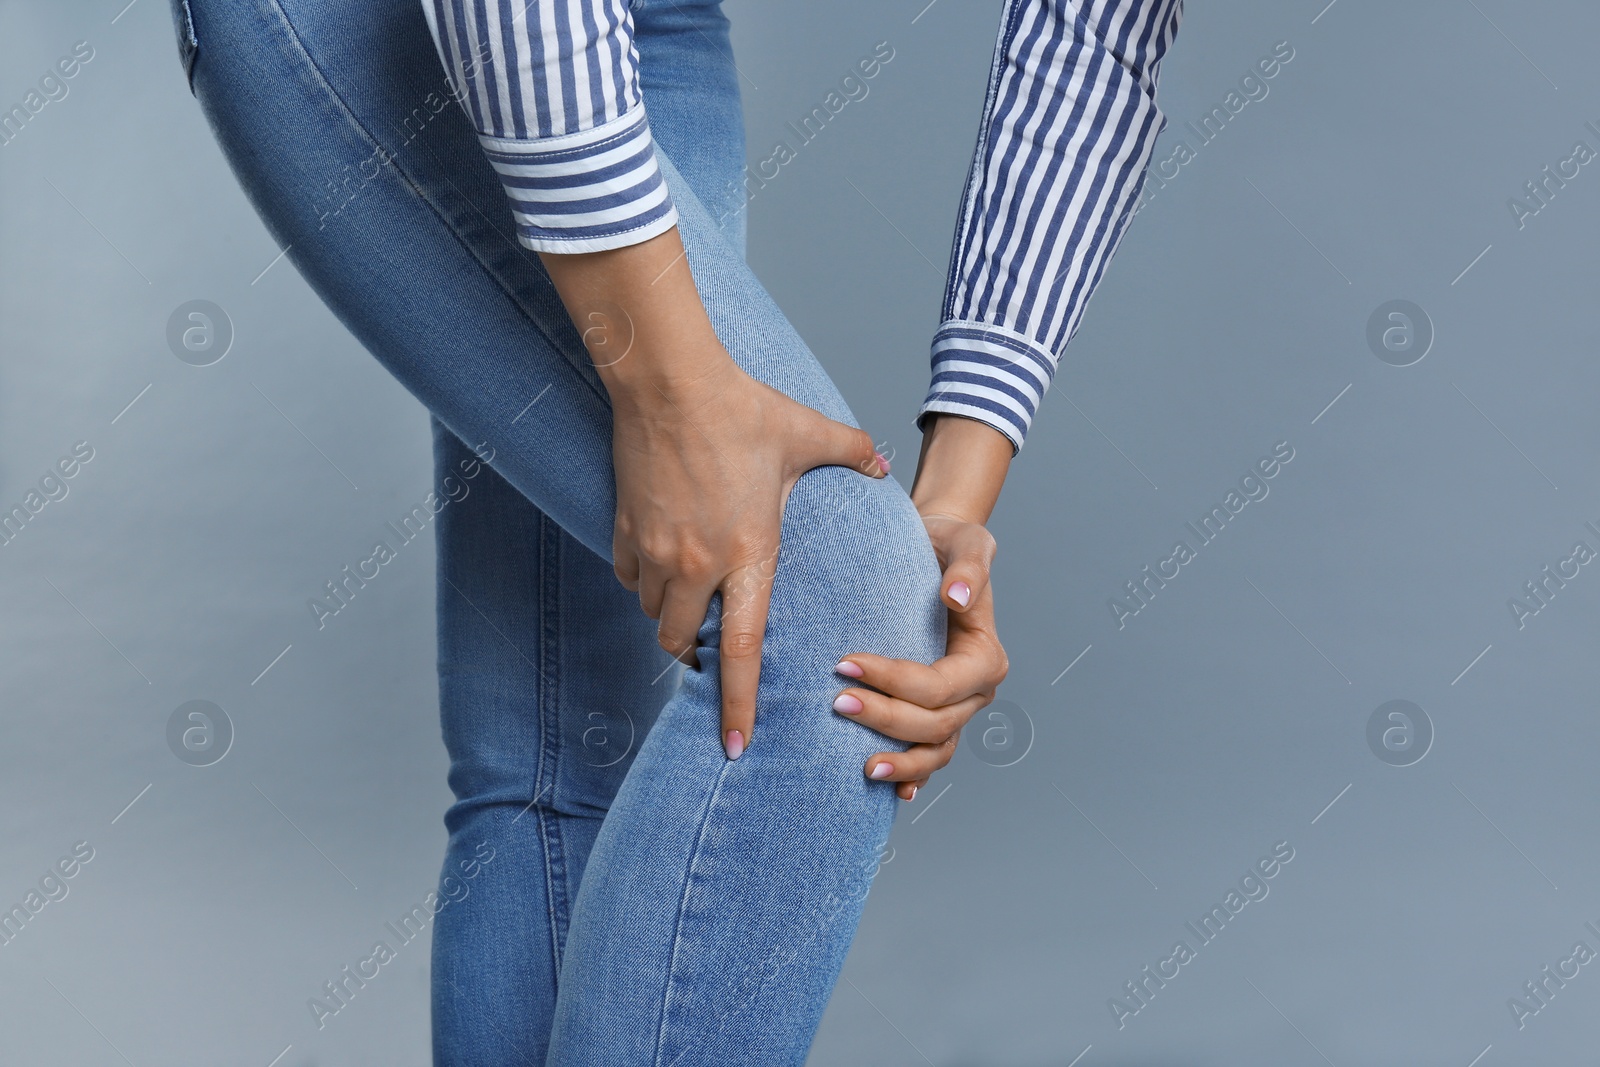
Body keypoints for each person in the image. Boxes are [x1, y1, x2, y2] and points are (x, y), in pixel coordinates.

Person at [167, 0, 1179, 1061]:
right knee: (822, 601)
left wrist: (951, 505)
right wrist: (670, 393)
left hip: (659, 31)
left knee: (567, 757)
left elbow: (1091, 33)